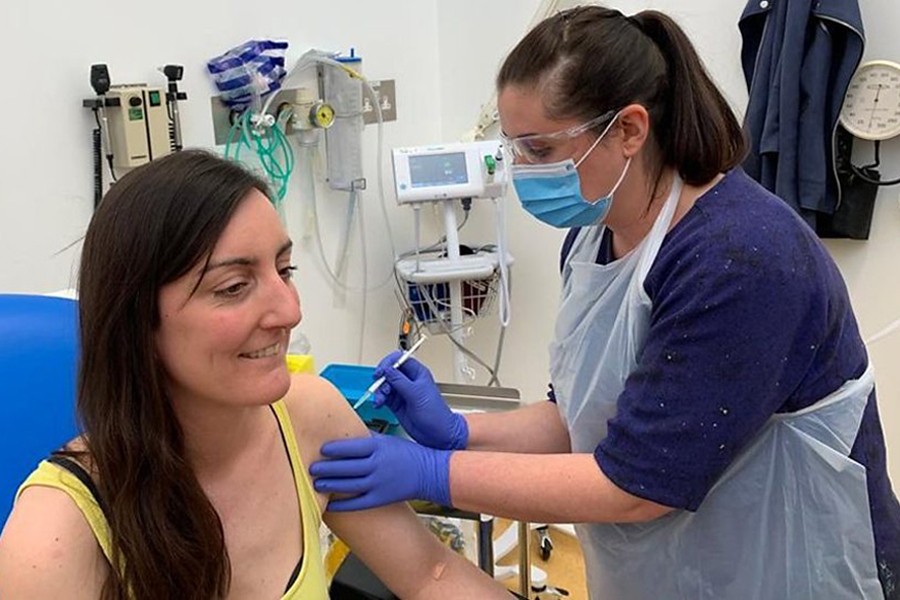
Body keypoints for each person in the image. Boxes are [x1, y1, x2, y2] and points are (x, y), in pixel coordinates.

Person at [309, 6, 900, 599]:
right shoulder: (595, 238)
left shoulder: (741, 259)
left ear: (629, 130)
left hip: (793, 565)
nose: (521, 172)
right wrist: (463, 432)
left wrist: (433, 473)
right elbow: (583, 415)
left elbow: (637, 485)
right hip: (677, 565)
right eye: (513, 148)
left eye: (539, 149)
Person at [0, 150, 513, 600]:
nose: (290, 311)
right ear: (135, 319)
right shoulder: (54, 538)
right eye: (233, 287)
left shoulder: (311, 417)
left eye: (284, 271)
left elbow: (431, 575)